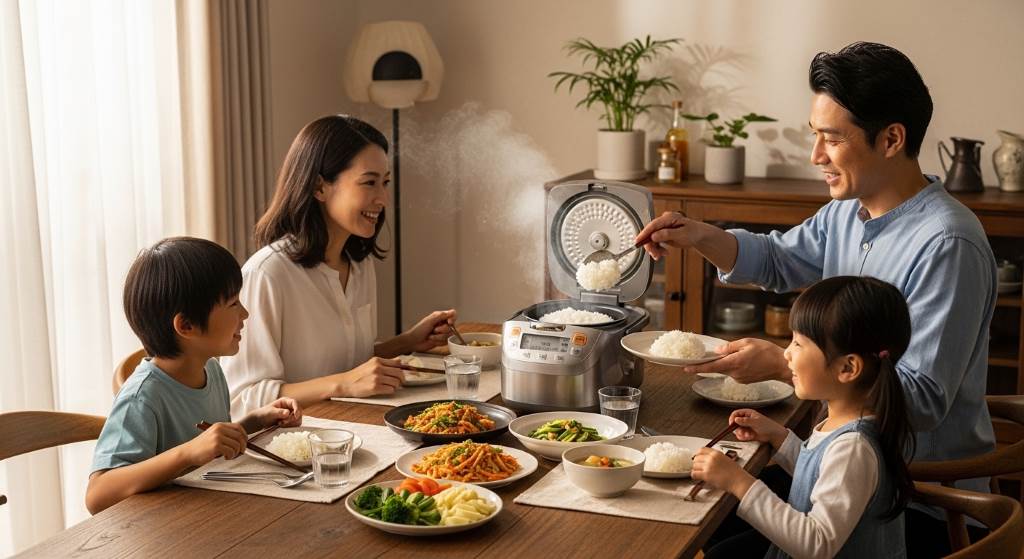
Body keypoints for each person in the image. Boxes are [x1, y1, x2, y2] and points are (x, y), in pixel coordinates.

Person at [635, 42, 996, 553]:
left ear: (892, 138)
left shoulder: (948, 244)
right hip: (834, 466)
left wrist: (787, 365)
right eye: (815, 137)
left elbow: (924, 400)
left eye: (832, 139)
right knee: (691, 518)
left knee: (711, 531)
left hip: (915, 499)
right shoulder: (848, 211)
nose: (816, 156)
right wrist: (698, 235)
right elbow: (780, 259)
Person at [221, 115, 455, 417]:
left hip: (351, 425)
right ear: (320, 187)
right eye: (369, 182)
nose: (383, 198)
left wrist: (406, 342)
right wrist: (343, 384)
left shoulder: (359, 264)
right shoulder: (267, 274)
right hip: (292, 446)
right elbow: (243, 397)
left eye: (385, 183)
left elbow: (346, 365)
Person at [693, 276, 914, 558]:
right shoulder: (846, 421)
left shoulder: (853, 449)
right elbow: (821, 472)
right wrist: (779, 437)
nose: (786, 353)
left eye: (798, 344)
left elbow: (816, 545)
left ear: (847, 368)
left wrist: (738, 482)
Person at [87, 237, 302, 514]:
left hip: (203, 516)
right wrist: (188, 453)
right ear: (186, 325)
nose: (245, 314)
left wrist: (255, 421)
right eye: (234, 304)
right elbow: (97, 494)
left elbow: (208, 440)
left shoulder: (210, 369)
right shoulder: (142, 397)